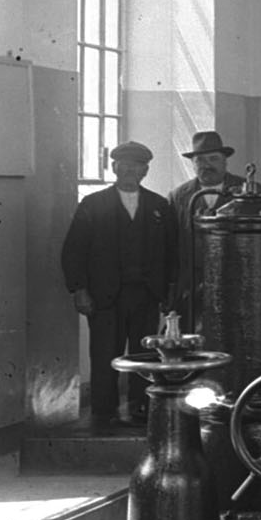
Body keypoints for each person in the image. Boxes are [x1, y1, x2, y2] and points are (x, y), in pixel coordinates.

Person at [60, 140, 178, 429]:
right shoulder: (93, 204)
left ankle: (141, 409)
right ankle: (103, 414)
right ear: (113, 167)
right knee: (104, 354)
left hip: (146, 295)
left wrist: (169, 293)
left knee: (144, 357)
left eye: (136, 166)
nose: (128, 170)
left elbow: (172, 253)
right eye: (122, 165)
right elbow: (73, 250)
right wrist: (79, 289)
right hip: (103, 297)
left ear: (145, 170)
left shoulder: (159, 206)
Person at [168, 130, 261, 319]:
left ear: (225, 161)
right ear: (193, 164)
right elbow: (170, 245)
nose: (206, 165)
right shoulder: (179, 196)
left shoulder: (251, 191)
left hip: (238, 285)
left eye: (213, 159)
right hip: (192, 290)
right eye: (200, 160)